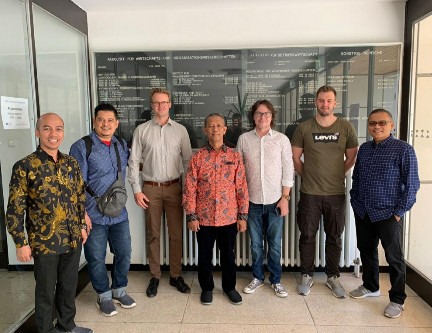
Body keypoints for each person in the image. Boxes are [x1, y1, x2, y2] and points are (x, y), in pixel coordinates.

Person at [6, 113, 92, 333]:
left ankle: (67, 325)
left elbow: (79, 198)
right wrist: (20, 242)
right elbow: (15, 208)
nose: (53, 134)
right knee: (45, 291)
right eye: (47, 129)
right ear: (37, 132)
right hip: (44, 242)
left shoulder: (71, 163)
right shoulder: (25, 166)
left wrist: (82, 226)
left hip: (72, 238)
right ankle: (45, 330)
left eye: (59, 129)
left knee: (68, 285)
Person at [349, 108, 420, 318]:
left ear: (392, 125)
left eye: (382, 123)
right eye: (372, 123)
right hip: (364, 211)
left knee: (394, 258)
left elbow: (412, 184)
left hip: (389, 213)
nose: (376, 127)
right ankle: (371, 286)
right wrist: (355, 200)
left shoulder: (403, 149)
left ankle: (397, 299)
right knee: (366, 250)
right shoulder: (365, 149)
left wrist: (399, 212)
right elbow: (357, 177)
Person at [291, 85, 358, 299]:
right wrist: (308, 176)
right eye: (321, 100)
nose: (325, 104)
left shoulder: (346, 127)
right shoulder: (304, 128)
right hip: (310, 192)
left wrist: (337, 174)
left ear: (335, 103)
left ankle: (333, 277)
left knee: (335, 237)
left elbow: (351, 157)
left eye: (329, 101)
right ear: (316, 103)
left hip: (336, 193)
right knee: (308, 235)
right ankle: (306, 276)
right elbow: (295, 158)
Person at [70, 103, 135, 317]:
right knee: (96, 256)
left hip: (118, 213)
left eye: (110, 120)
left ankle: (119, 290)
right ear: (94, 122)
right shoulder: (82, 146)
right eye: (101, 120)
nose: (105, 124)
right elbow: (76, 184)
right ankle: (104, 296)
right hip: (92, 215)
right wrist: (82, 214)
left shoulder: (121, 145)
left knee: (124, 252)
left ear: (116, 123)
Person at [128, 87, 193, 298]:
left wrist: (188, 192)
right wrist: (137, 190)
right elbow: (134, 161)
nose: (160, 106)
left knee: (176, 235)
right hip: (150, 189)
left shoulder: (181, 130)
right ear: (151, 105)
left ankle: (175, 275)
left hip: (175, 188)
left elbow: (188, 162)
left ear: (170, 104)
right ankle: (155, 276)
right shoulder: (142, 130)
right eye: (156, 102)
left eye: (164, 102)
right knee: (153, 234)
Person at [183, 113, 249, 305]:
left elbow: (242, 187)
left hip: (228, 217)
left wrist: (242, 215)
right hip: (203, 218)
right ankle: (207, 288)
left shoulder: (234, 156)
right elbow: (190, 188)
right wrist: (191, 215)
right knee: (204, 256)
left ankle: (229, 287)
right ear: (205, 130)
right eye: (211, 126)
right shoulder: (198, 158)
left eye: (219, 126)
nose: (215, 129)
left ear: (225, 129)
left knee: (228, 255)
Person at [237, 99, 294, 298]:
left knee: (275, 244)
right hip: (252, 202)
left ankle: (276, 280)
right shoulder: (244, 139)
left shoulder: (281, 139)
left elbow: (288, 170)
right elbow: (238, 172)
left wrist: (285, 198)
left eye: (267, 113)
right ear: (253, 116)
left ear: (272, 117)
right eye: (259, 113)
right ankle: (257, 277)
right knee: (255, 244)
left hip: (276, 201)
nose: (263, 117)